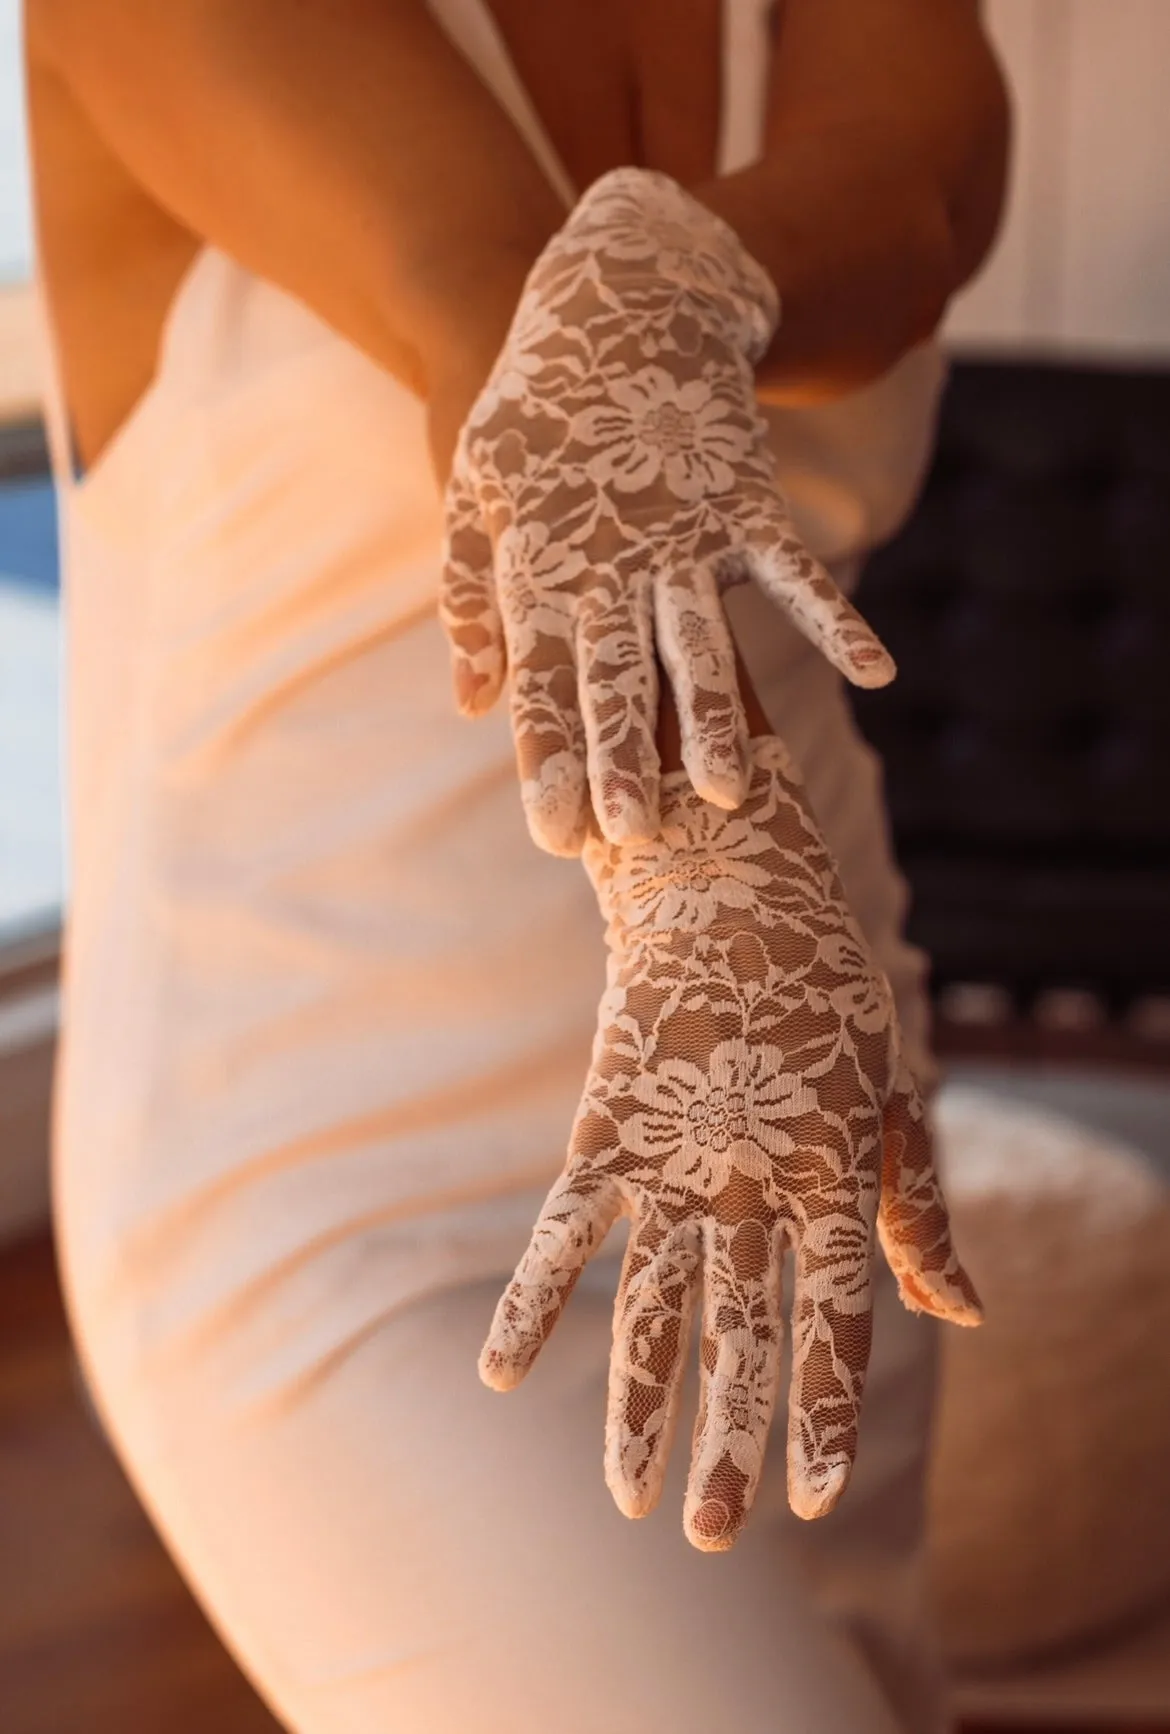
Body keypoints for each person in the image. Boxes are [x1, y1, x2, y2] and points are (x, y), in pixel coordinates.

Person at [25, 2, 1008, 1730]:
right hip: (346, 1176)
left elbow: (907, 216)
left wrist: (687, 262)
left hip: (801, 1099)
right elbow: (491, 312)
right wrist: (701, 879)